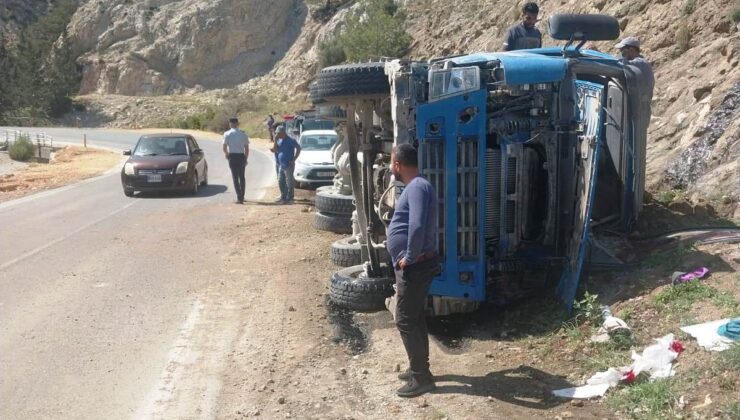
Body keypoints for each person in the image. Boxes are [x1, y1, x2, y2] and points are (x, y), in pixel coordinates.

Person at [386, 143, 440, 398]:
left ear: (398, 164)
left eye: (390, 162)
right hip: (418, 264)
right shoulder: (418, 186)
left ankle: (421, 378)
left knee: (405, 319)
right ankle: (419, 369)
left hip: (416, 266)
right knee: (414, 316)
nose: (390, 167)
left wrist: (408, 257)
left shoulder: (417, 186)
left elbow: (416, 226)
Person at [222, 117, 249, 204]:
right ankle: (242, 196)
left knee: (235, 177)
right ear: (237, 124)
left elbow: (224, 147)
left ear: (230, 124)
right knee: (242, 177)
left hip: (232, 156)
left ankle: (239, 197)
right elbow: (247, 148)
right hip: (241, 156)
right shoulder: (243, 134)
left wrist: (226, 154)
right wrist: (246, 158)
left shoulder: (227, 134)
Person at [274, 126, 301, 203]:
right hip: (281, 165)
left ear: (283, 132)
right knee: (280, 181)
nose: (277, 134)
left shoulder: (291, 140)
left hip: (288, 164)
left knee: (289, 181)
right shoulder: (279, 140)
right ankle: (283, 195)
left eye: (278, 133)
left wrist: (294, 159)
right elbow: (275, 149)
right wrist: (275, 140)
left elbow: (298, 148)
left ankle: (290, 197)